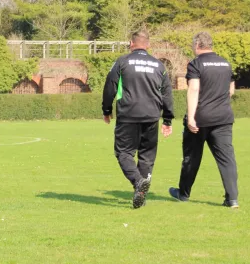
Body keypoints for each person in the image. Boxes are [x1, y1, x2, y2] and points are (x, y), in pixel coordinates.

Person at [102, 29, 175, 209]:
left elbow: (110, 84)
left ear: (131, 44)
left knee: (124, 153)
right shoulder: (159, 66)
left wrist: (106, 109)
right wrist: (167, 120)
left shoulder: (122, 62)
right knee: (147, 157)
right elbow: (167, 93)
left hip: (128, 115)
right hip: (151, 116)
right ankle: (141, 194)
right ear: (148, 45)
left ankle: (138, 183)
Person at [168, 32, 240, 209]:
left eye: (193, 45)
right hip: (223, 118)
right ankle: (232, 199)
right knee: (226, 159)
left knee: (192, 157)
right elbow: (231, 91)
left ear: (198, 45)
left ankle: (183, 194)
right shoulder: (225, 63)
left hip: (201, 118)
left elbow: (193, 90)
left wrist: (191, 117)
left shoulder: (196, 64)